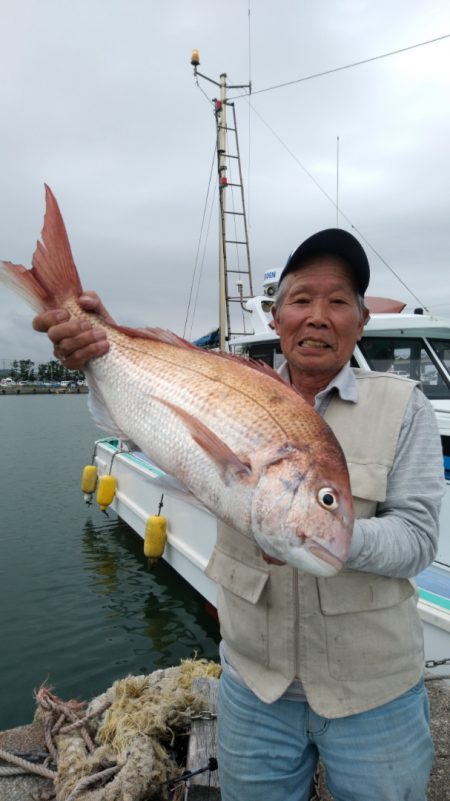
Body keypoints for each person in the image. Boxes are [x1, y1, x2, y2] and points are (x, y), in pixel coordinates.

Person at [33, 229, 445, 801]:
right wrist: (100, 346)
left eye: (339, 300)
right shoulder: (234, 384)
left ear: (360, 321)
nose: (318, 317)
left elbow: (420, 537)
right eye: (301, 300)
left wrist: (330, 539)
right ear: (277, 318)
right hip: (254, 689)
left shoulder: (404, 407)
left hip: (375, 696)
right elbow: (139, 416)